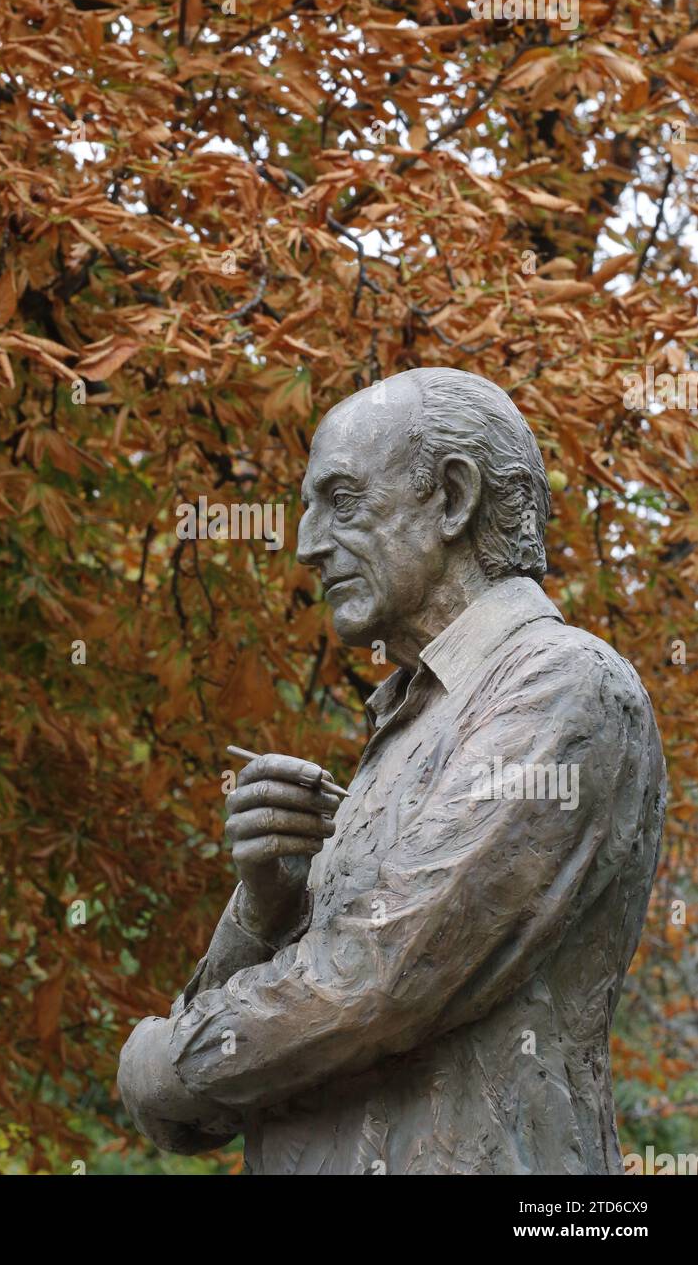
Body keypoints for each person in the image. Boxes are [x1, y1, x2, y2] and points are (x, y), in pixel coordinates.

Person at [117, 368, 666, 1175]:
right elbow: (271, 1056)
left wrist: (160, 1068)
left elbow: (374, 984)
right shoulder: (411, 718)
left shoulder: (561, 686)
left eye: (340, 503)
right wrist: (265, 908)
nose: (304, 543)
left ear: (451, 497)